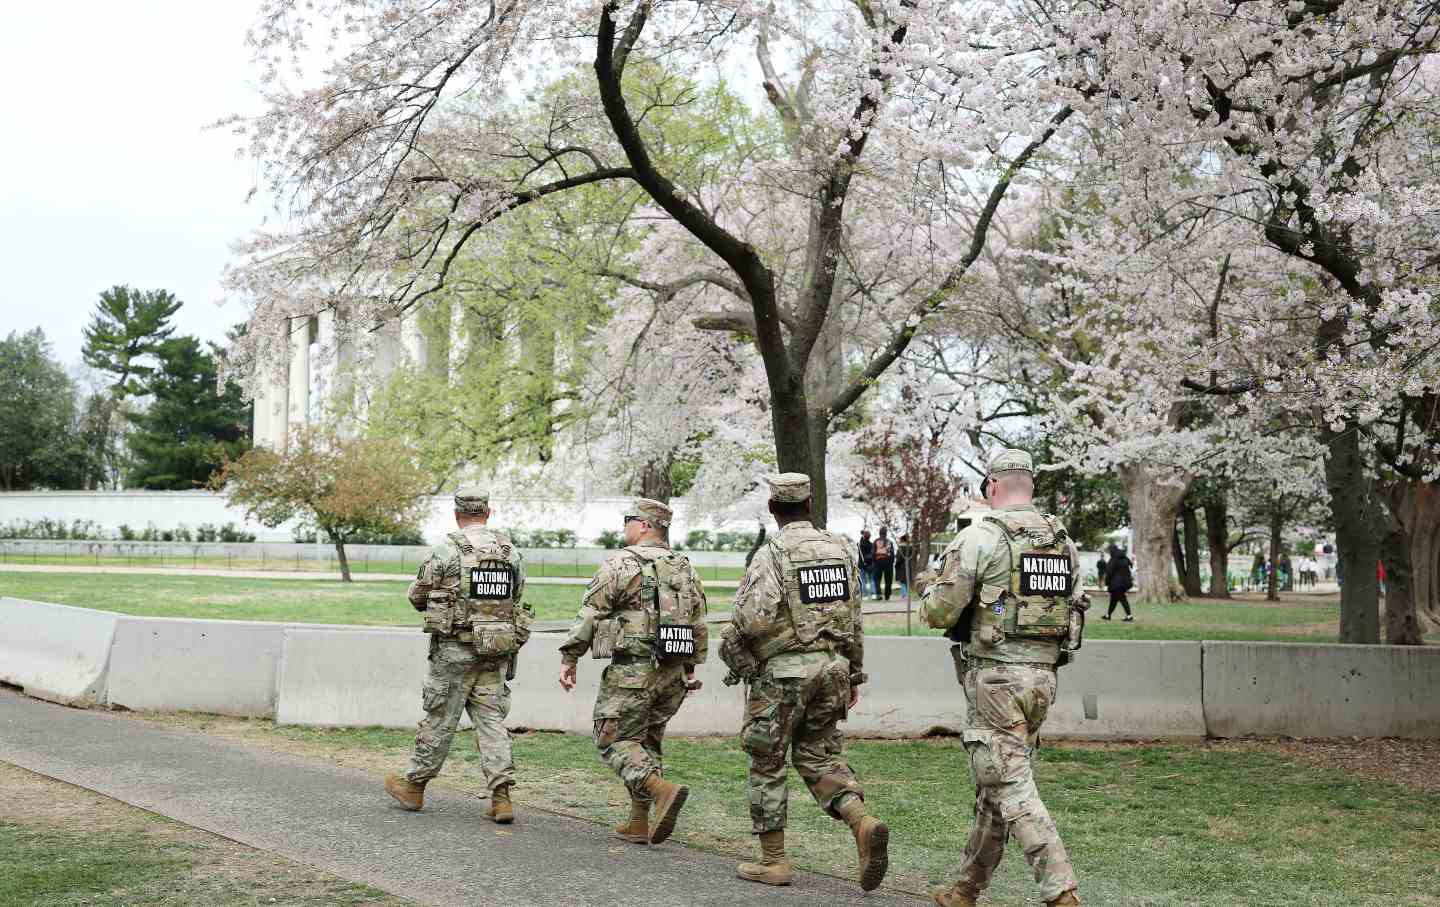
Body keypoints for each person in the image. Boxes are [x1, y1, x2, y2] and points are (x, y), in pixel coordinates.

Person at [918, 449, 1083, 907]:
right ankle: (965, 888)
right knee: (997, 783)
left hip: (996, 681)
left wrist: (926, 587)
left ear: (992, 486)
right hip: (1043, 681)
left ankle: (1062, 893)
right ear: (1029, 487)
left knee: (1011, 786)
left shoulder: (980, 537)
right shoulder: (1060, 541)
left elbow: (939, 611)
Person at [719, 472, 888, 891]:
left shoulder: (772, 553)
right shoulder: (842, 549)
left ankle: (773, 861)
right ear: (810, 505)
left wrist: (739, 646)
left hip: (785, 673)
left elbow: (753, 619)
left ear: (774, 508)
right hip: (833, 668)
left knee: (768, 759)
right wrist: (854, 672)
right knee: (818, 754)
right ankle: (860, 821)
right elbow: (855, 618)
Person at [557, 498, 708, 846]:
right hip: (672, 672)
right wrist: (690, 668)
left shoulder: (621, 563)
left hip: (632, 670)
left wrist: (570, 657)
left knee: (612, 738)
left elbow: (591, 614)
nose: (624, 526)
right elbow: (698, 622)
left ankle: (661, 791)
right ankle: (639, 820)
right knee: (647, 742)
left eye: (628, 520)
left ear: (644, 526)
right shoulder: (685, 568)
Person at [385, 486, 533, 822]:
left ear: (456, 514)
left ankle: (414, 787)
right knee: (492, 721)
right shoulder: (510, 552)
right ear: (488, 512)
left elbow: (418, 596)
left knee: (440, 717)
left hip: (454, 650)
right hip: (495, 651)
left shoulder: (446, 549)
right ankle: (501, 798)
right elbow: (518, 592)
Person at [1102, 544, 1133, 621]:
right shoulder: (1125, 558)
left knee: (1122, 598)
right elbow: (1130, 565)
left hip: (1116, 584)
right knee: (1114, 599)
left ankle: (1129, 615)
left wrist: (1107, 583)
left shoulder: (1113, 559)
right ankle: (1108, 615)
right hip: (1125, 582)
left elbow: (1109, 572)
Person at [873, 527, 896, 601]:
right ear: (886, 533)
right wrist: (891, 562)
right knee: (888, 579)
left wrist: (874, 562)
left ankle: (879, 594)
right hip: (887, 562)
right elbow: (892, 553)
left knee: (877, 579)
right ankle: (887, 595)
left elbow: (873, 553)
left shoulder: (876, 541)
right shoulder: (889, 542)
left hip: (877, 562)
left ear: (879, 533)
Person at [858, 529, 876, 598]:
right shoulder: (871, 545)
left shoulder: (860, 545)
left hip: (862, 565)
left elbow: (861, 554)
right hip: (870, 564)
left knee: (863, 581)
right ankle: (873, 594)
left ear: (863, 536)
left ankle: (865, 595)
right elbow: (873, 555)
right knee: (872, 580)